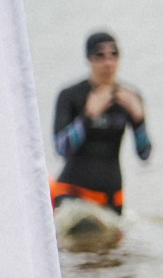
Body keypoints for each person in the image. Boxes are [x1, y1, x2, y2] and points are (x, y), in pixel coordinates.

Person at [51, 30, 151, 217]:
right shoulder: (71, 95)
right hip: (72, 196)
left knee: (114, 246)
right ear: (89, 59)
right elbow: (60, 148)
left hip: (111, 201)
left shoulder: (130, 97)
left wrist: (139, 120)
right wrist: (87, 117)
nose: (108, 62)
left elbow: (144, 154)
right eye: (100, 55)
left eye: (114, 55)